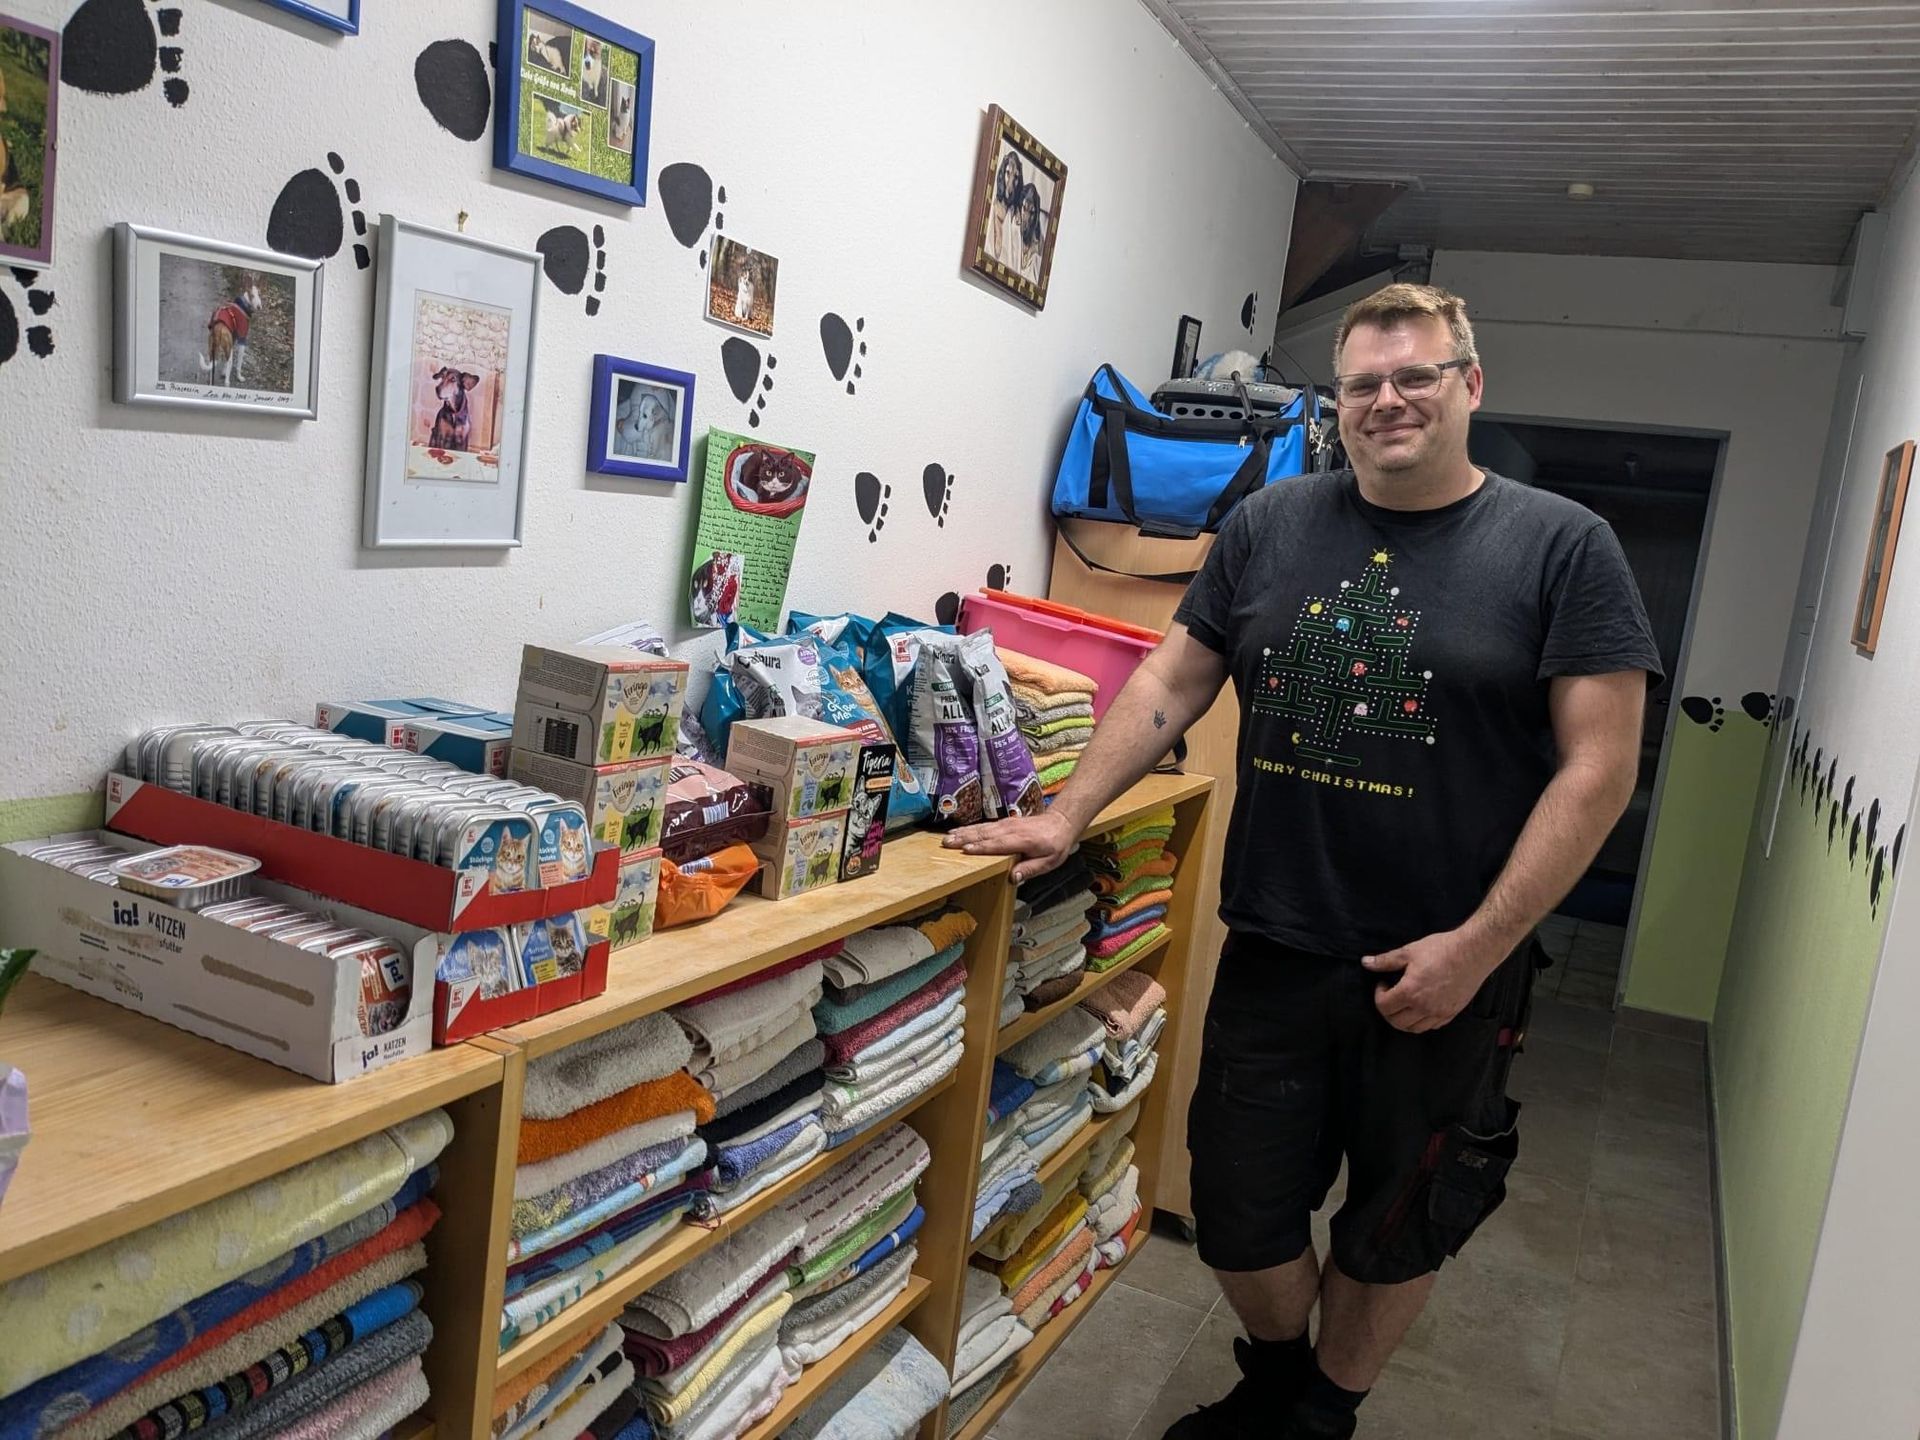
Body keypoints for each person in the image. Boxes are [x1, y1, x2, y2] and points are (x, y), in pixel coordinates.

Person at [946, 283, 1660, 1438]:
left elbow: (1600, 768)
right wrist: (1066, 814)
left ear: (1470, 385)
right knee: (1238, 1210)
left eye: (1416, 375)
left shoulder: (1562, 548)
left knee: (1400, 1219)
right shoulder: (1270, 524)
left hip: (1448, 969)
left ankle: (1322, 1416)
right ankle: (1280, 1384)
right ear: (1336, 404)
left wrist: (1479, 950)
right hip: (1276, 942)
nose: (1389, 400)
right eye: (1363, 383)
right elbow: (1176, 676)